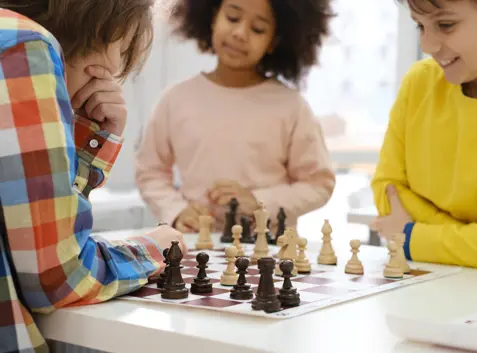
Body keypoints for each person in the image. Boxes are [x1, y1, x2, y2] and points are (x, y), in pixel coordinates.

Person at [0, 1, 186, 352]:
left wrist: (87, 139)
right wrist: (155, 248)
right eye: (120, 47)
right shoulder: (22, 46)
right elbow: (55, 277)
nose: (112, 70)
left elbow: (23, 232)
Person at [135, 0, 337, 234]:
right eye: (232, 18)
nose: (240, 33)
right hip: (197, 247)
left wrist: (258, 201)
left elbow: (319, 184)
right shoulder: (175, 99)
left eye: (258, 29)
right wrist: (177, 211)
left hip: (268, 253)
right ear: (212, 18)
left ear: (275, 41)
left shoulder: (291, 107)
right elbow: (150, 172)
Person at [370, 0, 477, 271]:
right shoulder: (419, 82)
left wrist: (411, 236)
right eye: (421, 25)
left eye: (446, 25)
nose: (427, 45)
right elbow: (388, 191)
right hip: (431, 289)